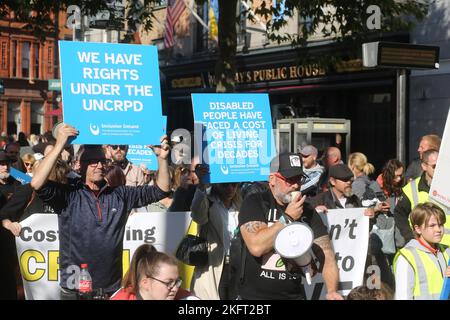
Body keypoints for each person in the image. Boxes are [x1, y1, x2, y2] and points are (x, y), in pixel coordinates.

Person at [30, 123, 171, 299]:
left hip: (111, 289)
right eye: (92, 162)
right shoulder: (68, 195)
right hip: (75, 290)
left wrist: (162, 159)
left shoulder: (120, 194)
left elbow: (161, 190)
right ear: (79, 166)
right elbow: (36, 183)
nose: (98, 165)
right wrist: (59, 144)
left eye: (102, 161)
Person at [238, 152, 343, 300]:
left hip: (293, 295)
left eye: (299, 178)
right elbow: (256, 247)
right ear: (272, 179)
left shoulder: (306, 210)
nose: (295, 185)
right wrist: (287, 218)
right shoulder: (255, 202)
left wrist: (331, 290)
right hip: (255, 298)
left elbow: (326, 254)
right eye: (289, 179)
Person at [190, 173, 242, 300]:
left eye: (234, 184)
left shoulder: (240, 205)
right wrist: (202, 186)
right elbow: (197, 215)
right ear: (216, 184)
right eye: (225, 184)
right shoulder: (207, 202)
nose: (230, 188)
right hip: (215, 265)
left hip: (237, 265)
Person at [394, 202, 450, 300]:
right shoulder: (407, 257)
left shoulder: (447, 251)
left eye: (440, 225)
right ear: (418, 229)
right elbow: (403, 297)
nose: (438, 229)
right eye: (432, 225)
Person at [394, 149, 450, 246]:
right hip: (423, 247)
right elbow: (399, 214)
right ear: (424, 166)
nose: (438, 169)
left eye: (440, 165)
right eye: (434, 166)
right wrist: (410, 236)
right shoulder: (410, 189)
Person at [110, 244, 198, 300]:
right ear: (145, 283)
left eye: (177, 282)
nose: (175, 289)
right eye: (169, 283)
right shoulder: (121, 297)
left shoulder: (186, 299)